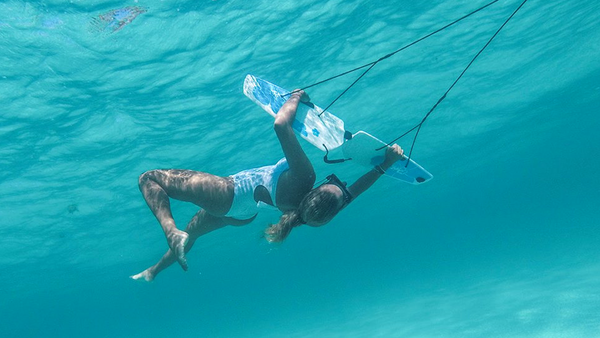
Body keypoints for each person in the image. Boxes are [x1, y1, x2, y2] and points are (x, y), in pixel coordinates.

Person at [131, 90, 405, 282]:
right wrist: (385, 165)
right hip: (242, 216)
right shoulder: (313, 217)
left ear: (316, 189)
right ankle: (154, 271)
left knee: (149, 179)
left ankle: (169, 232)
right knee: (192, 234)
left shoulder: (305, 177)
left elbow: (280, 125)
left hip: (227, 194)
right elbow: (356, 191)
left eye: (335, 182)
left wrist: (297, 97)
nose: (342, 183)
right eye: (342, 188)